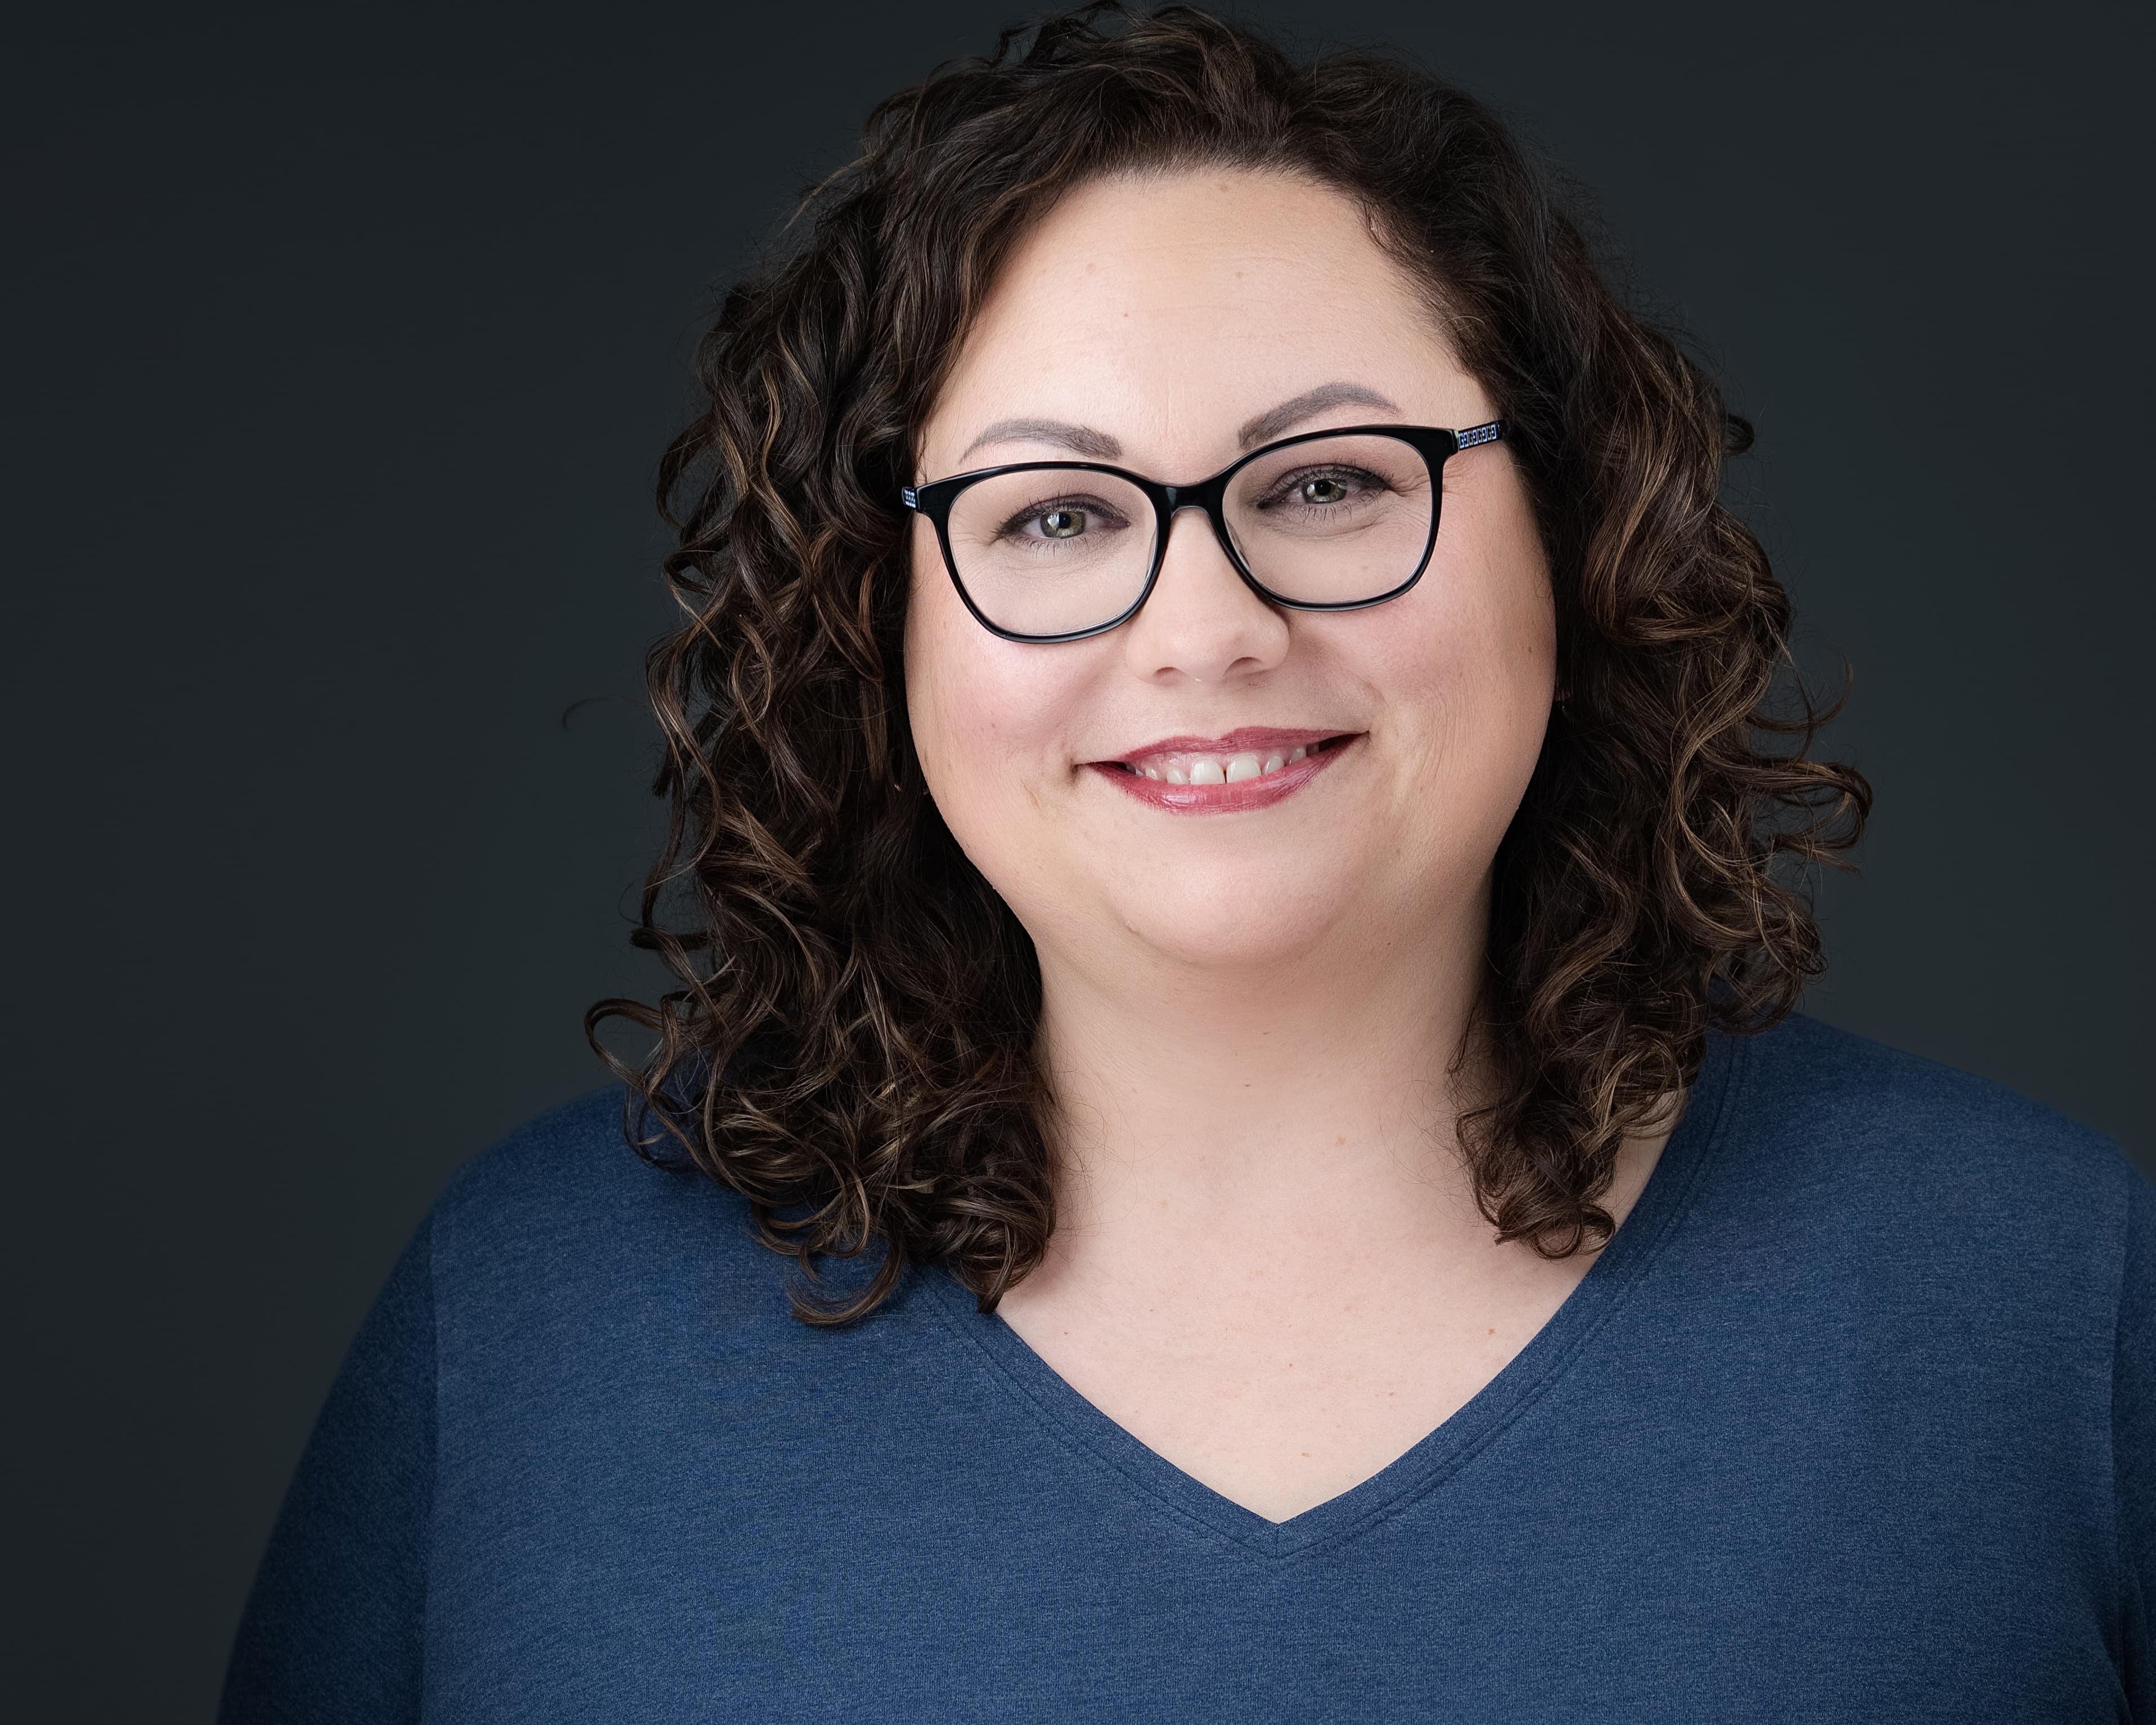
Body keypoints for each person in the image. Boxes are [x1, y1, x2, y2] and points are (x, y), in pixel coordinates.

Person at [219, 6, 2153, 1718]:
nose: (1205, 625)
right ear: (876, 625)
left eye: (1326, 482)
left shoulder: (2057, 1308)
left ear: (1565, 536)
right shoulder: (531, 1328)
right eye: (1052, 512)